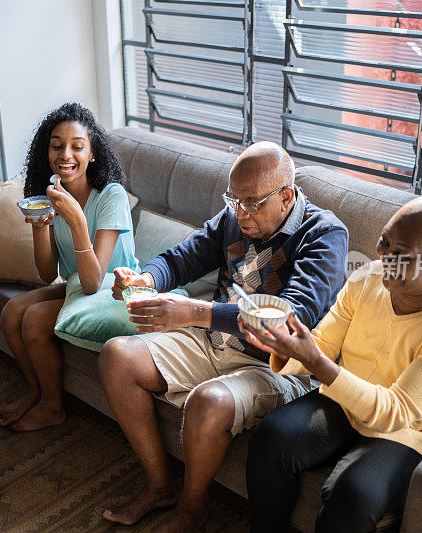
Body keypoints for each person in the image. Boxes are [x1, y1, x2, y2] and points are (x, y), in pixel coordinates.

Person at [98, 142, 349, 531]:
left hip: (278, 366)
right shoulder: (235, 217)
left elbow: (286, 319)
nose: (240, 213)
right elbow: (182, 258)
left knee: (208, 401)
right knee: (117, 356)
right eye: (234, 199)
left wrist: (195, 313)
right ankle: (160, 486)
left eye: (252, 203)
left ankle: (192, 508)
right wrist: (145, 280)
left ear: (287, 196)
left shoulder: (325, 234)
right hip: (217, 340)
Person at [243, 194, 422, 532]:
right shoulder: (370, 278)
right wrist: (284, 345)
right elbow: (323, 344)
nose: (385, 259)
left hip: (410, 430)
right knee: (270, 438)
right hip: (343, 401)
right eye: (384, 241)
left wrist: (316, 361)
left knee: (353, 496)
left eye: (402, 254)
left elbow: (395, 410)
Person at [0, 102, 138, 431]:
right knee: (11, 312)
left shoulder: (111, 196)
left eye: (77, 146)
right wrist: (40, 227)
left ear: (92, 154)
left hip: (116, 291)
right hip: (79, 285)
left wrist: (75, 219)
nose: (66, 155)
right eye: (57, 145)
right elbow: (47, 274)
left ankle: (52, 406)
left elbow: (93, 281)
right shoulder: (50, 196)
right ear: (46, 152)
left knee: (33, 319)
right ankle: (36, 391)